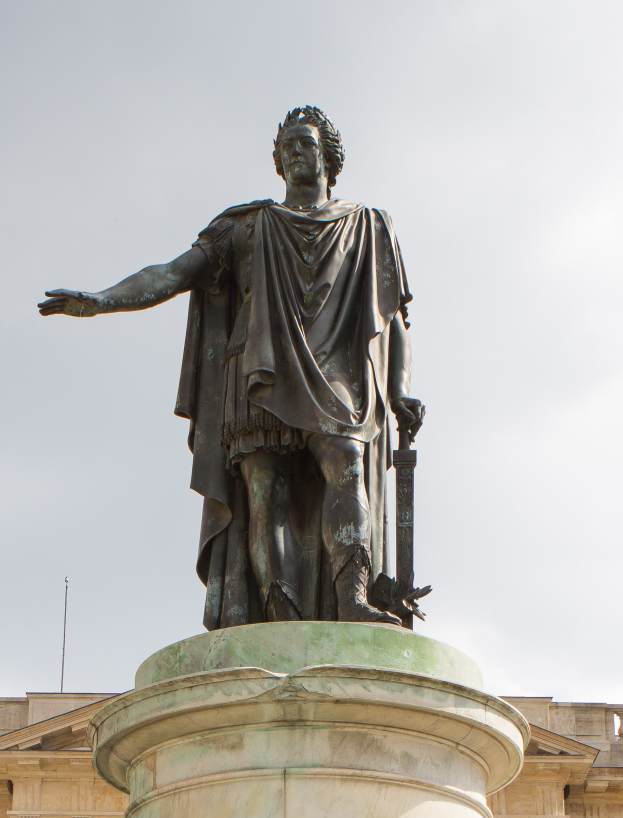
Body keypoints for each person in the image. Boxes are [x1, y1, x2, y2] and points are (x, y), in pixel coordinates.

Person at [39, 106, 425, 628]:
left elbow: (393, 315)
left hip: (336, 371)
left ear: (329, 157)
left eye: (305, 143)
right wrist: (102, 300)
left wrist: (399, 388)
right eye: (286, 146)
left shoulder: (368, 226)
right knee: (265, 492)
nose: (295, 152)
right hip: (258, 368)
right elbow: (174, 272)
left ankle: (352, 596)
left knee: (346, 464)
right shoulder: (245, 226)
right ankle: (277, 610)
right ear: (277, 163)